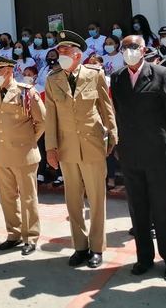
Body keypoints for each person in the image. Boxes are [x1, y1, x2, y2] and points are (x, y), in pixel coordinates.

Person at [110, 35, 166, 282]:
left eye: (133, 47)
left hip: (157, 153)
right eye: (125, 47)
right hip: (130, 153)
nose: (129, 51)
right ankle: (144, 258)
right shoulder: (117, 77)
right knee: (138, 209)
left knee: (162, 208)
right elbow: (117, 112)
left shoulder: (161, 74)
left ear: (143, 49)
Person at [45, 30, 118, 269]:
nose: (61, 55)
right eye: (59, 51)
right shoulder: (52, 78)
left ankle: (97, 247)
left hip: (93, 143)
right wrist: (50, 148)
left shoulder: (94, 75)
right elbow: (51, 117)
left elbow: (105, 107)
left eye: (65, 51)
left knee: (97, 198)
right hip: (67, 148)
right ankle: (80, 246)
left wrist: (112, 133)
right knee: (73, 200)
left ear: (78, 55)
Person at [0, 55, 46, 256]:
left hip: (24, 153)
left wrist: (28, 140)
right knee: (7, 197)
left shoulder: (26, 93)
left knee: (28, 197)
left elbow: (42, 121)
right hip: (1, 154)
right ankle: (14, 233)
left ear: (9, 70)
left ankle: (30, 236)